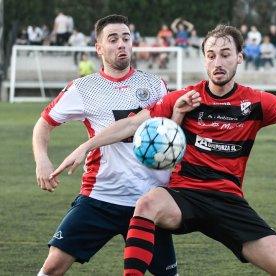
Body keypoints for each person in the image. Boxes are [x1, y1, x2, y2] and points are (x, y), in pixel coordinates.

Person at [51, 24, 276, 276]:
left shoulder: (255, 102)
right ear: (204, 60)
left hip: (228, 200)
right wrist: (87, 144)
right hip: (184, 196)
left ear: (239, 58)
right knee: (146, 203)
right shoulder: (187, 97)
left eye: (225, 55)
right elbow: (132, 123)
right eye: (210, 55)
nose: (217, 62)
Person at [32, 14, 178, 276]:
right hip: (101, 196)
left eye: (126, 38)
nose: (121, 44)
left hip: (148, 200)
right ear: (99, 48)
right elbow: (44, 123)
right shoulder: (82, 88)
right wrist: (42, 159)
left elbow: (171, 131)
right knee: (53, 266)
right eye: (113, 39)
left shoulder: (155, 86)